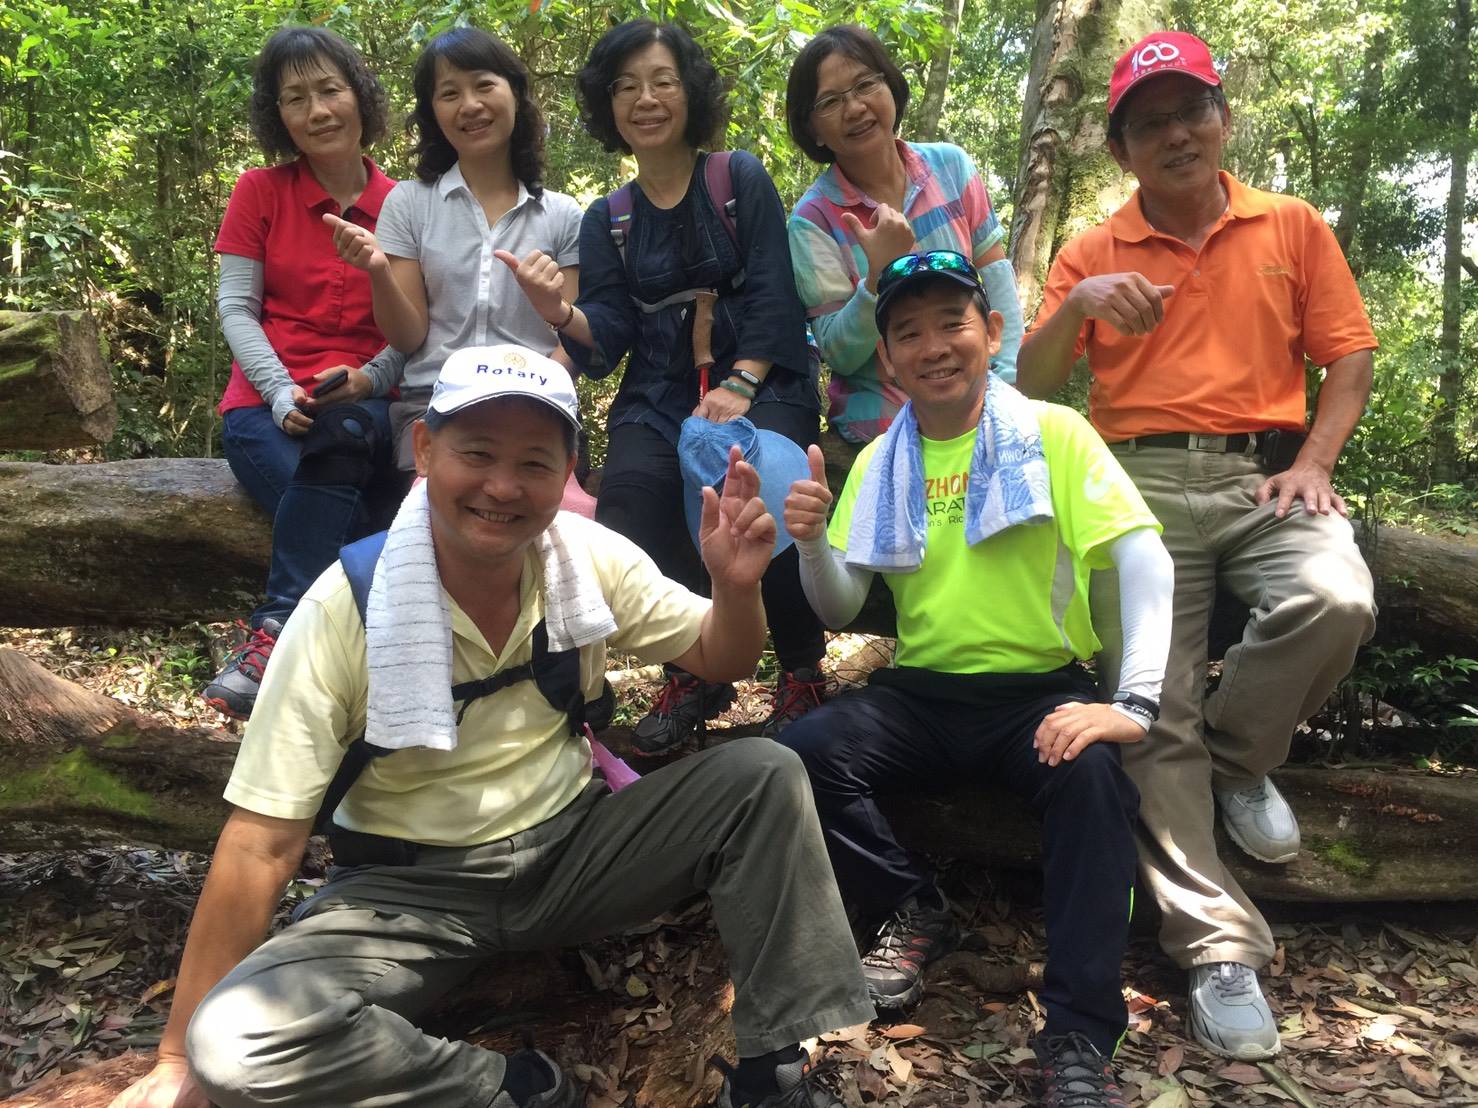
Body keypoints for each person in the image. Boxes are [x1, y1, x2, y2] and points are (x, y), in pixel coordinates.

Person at [108, 345, 875, 1108]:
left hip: (573, 851)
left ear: (566, 471)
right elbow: (261, 840)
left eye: (534, 463)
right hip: (407, 894)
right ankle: (513, 1089)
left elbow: (719, 657)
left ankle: (773, 1075)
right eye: (477, 453)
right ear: (424, 449)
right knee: (234, 1045)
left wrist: (735, 588)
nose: (502, 487)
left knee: (765, 775)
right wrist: (175, 1058)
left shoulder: (582, 558)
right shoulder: (346, 607)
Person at [1016, 31, 1378, 1060]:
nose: (1175, 135)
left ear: (1223, 117)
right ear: (1121, 148)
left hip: (1263, 473)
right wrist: (1078, 304)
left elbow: (1348, 355)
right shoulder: (1095, 248)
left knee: (1336, 597)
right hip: (1132, 484)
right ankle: (1219, 947)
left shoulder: (1289, 224)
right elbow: (1031, 383)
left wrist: (1314, 459)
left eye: (1191, 112)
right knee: (1147, 710)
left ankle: (1237, 760)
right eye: (1149, 124)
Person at [780, 251, 1173, 1108]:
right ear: (888, 359)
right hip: (921, 694)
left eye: (951, 323)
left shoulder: (1053, 433)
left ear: (991, 332)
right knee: (798, 753)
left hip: (1038, 692)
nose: (933, 346)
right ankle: (913, 907)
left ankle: (1079, 1036)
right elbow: (841, 603)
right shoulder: (882, 460)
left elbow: (1145, 556)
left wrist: (1134, 705)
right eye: (907, 332)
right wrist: (811, 543)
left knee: (1094, 779)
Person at [516, 19, 828, 751]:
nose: (646, 99)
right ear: (608, 105)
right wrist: (559, 311)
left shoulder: (736, 178)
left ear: (690, 93)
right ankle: (694, 667)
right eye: (626, 86)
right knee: (631, 501)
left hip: (762, 375)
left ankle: (802, 672)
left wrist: (742, 382)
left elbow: (776, 291)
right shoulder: (610, 217)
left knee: (757, 491)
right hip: (658, 390)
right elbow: (608, 333)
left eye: (662, 81)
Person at [204, 25, 405, 719]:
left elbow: (420, 324)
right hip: (265, 409)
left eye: (329, 90)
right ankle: (377, 665)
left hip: (366, 408)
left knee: (342, 445)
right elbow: (236, 306)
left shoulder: (406, 204)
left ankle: (276, 630)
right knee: (353, 518)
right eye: (295, 98)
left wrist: (370, 375)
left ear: (359, 96)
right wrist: (275, 388)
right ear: (279, 116)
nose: (317, 111)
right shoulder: (260, 191)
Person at [324, 26, 585, 477]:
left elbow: (577, 340)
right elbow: (408, 338)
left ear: (515, 93)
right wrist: (378, 271)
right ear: (433, 112)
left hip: (538, 410)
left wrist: (537, 389)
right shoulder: (410, 204)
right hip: (434, 409)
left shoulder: (562, 215)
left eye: (484, 85)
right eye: (449, 93)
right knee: (436, 515)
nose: (470, 105)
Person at [783, 24, 1025, 445]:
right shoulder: (813, 219)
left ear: (891, 87)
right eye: (830, 101)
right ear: (813, 129)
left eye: (865, 85)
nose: (855, 108)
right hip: (882, 424)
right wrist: (877, 278)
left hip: (979, 403)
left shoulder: (951, 168)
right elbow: (838, 353)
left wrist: (1006, 388)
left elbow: (997, 282)